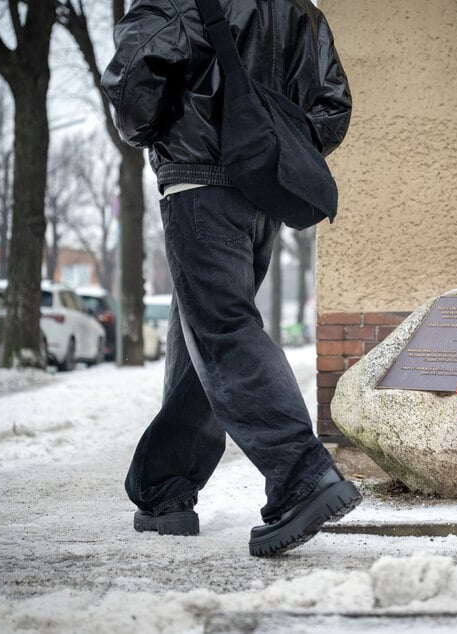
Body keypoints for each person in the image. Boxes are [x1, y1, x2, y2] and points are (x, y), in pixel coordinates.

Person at [102, 0, 358, 557]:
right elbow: (332, 106)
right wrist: (270, 146)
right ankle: (166, 486)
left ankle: (301, 474)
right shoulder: (299, 11)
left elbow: (131, 87)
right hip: (261, 196)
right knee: (201, 331)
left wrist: (165, 132)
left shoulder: (176, 2)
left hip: (197, 185)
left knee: (223, 332)